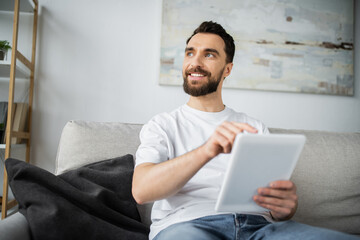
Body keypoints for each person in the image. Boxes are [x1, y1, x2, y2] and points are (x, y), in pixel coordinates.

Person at [132, 21, 359, 240]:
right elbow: (141, 191)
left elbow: (276, 202)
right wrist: (207, 150)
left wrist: (285, 209)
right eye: (190, 53)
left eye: (209, 54)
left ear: (227, 69)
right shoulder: (162, 125)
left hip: (259, 228)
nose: (195, 62)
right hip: (188, 226)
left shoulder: (254, 127)